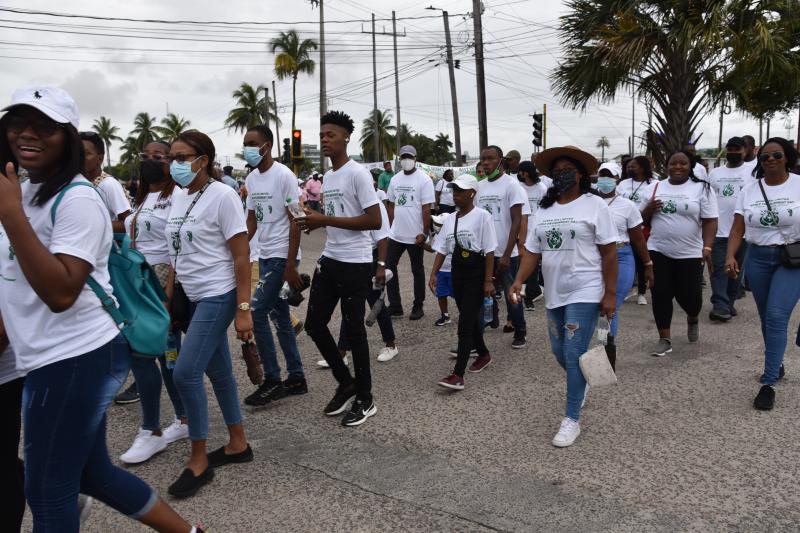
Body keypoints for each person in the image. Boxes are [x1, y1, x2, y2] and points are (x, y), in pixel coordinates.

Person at [0, 86, 199, 532]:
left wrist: (10, 216)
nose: (27, 134)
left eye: (44, 126)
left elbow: (62, 292)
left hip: (73, 357)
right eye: (18, 122)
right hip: (51, 355)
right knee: (95, 475)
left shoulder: (77, 199)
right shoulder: (27, 191)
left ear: (67, 137)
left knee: (48, 491)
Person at [165, 130, 254, 498]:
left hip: (218, 294)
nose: (175, 164)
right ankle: (237, 443)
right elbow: (175, 252)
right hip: (191, 295)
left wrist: (244, 309)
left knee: (185, 373)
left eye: (183, 157)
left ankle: (198, 459)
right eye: (173, 157)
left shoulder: (223, 196)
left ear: (204, 159)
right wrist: (169, 298)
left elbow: (241, 256)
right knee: (218, 371)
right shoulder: (178, 196)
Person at [511, 146, 617, 447]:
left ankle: (571, 419)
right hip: (554, 291)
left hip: (586, 288)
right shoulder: (544, 209)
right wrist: (519, 280)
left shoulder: (594, 205)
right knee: (560, 353)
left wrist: (609, 294)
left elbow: (609, 253)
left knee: (573, 353)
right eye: (556, 169)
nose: (561, 173)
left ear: (581, 174)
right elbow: (532, 251)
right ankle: (580, 381)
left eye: (568, 168)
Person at [297, 110, 382, 427]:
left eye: (330, 134)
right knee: (314, 325)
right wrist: (312, 221)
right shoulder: (328, 177)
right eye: (321, 135)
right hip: (330, 258)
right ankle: (346, 382)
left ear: (346, 137)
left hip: (356, 262)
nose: (324, 140)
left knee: (355, 330)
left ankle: (365, 397)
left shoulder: (357, 174)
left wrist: (325, 220)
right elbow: (335, 218)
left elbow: (375, 220)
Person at [119, 140, 189, 465]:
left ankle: (157, 428)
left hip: (161, 282)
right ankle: (177, 420)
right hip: (139, 281)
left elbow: (177, 248)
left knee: (158, 355)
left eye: (157, 157)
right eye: (145, 157)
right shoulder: (142, 196)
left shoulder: (176, 196)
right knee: (154, 354)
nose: (150, 162)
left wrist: (169, 296)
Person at [725, 137, 800, 411]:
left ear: (787, 158)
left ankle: (768, 383)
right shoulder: (749, 190)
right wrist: (731, 255)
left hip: (792, 259)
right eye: (765, 156)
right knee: (767, 317)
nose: (770, 160)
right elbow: (737, 229)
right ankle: (776, 363)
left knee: (777, 315)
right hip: (758, 258)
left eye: (776, 155)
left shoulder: (798, 185)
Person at [240, 125, 307, 407]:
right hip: (266, 253)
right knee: (280, 318)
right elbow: (252, 219)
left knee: (256, 313)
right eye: (245, 143)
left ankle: (272, 380)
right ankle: (296, 377)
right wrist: (240, 248)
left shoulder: (284, 176)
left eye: (253, 143)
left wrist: (291, 265)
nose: (249, 148)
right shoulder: (252, 179)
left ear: (267, 145)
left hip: (283, 255)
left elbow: (297, 219)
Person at [641, 150, 718, 357]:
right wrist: (648, 210)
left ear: (691, 166)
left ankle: (692, 316)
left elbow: (710, 220)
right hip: (658, 249)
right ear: (666, 166)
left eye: (683, 163)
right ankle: (664, 338)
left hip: (690, 252)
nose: (677, 167)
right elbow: (640, 221)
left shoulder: (702, 188)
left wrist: (707, 247)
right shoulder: (654, 187)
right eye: (673, 163)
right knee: (660, 294)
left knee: (690, 295)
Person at [431, 174, 497, 390]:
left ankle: (458, 375)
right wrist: (433, 274)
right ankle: (484, 354)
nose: (456, 195)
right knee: (468, 318)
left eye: (460, 191)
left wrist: (488, 280)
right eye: (454, 191)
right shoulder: (451, 218)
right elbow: (441, 248)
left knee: (464, 324)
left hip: (476, 274)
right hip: (457, 273)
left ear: (472, 193)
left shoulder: (482, 216)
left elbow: (489, 251)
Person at [595, 161, 654, 368]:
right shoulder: (588, 201)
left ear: (617, 179)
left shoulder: (627, 206)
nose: (604, 179)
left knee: (611, 305)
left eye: (609, 175)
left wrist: (647, 263)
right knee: (598, 304)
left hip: (622, 256)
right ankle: (602, 343)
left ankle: (606, 346)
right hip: (595, 257)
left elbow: (638, 238)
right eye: (601, 174)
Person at [333, 195, 399, 363]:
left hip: (373, 257)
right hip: (354, 257)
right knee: (350, 302)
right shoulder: (352, 202)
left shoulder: (376, 204)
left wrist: (381, 266)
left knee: (375, 301)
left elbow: (383, 237)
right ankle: (342, 352)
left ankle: (391, 345)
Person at [476, 145, 528, 349]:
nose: (486, 163)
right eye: (483, 159)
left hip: (507, 253)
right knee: (483, 293)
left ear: (501, 160)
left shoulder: (512, 186)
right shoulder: (479, 187)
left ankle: (520, 330)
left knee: (511, 294)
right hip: (484, 252)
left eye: (490, 159)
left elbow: (517, 221)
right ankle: (483, 328)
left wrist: (507, 253)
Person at [385, 145, 435, 321]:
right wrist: (390, 228)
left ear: (415, 158)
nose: (406, 159)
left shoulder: (424, 180)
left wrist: (424, 233)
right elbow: (391, 205)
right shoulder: (395, 179)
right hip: (396, 234)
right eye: (403, 157)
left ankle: (418, 305)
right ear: (400, 158)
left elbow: (426, 209)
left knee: (417, 270)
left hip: (415, 235)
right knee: (389, 268)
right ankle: (395, 305)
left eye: (409, 157)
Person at [707, 137, 754, 321]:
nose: (733, 152)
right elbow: (708, 198)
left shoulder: (752, 172)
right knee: (718, 269)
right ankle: (720, 304)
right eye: (730, 148)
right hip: (718, 231)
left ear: (745, 150)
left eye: (737, 148)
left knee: (736, 271)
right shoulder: (715, 173)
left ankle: (728, 302)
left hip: (743, 232)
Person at [619, 156, 656, 305]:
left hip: (644, 227)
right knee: (628, 259)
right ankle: (625, 289)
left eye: (633, 166)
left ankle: (641, 292)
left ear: (642, 167)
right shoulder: (622, 184)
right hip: (624, 228)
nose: (629, 169)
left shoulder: (654, 184)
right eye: (628, 167)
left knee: (642, 260)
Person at [80, 131, 131, 232]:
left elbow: (127, 223)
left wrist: (91, 226)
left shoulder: (109, 184)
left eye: (86, 153)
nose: (80, 158)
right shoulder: (78, 183)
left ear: (100, 158)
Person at [517, 160, 547, 310]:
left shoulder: (541, 188)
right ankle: (520, 290)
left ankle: (530, 296)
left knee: (533, 264)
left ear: (526, 172)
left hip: (537, 229)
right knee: (521, 262)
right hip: (522, 230)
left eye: (521, 171)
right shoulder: (518, 188)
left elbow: (546, 207)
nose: (519, 174)